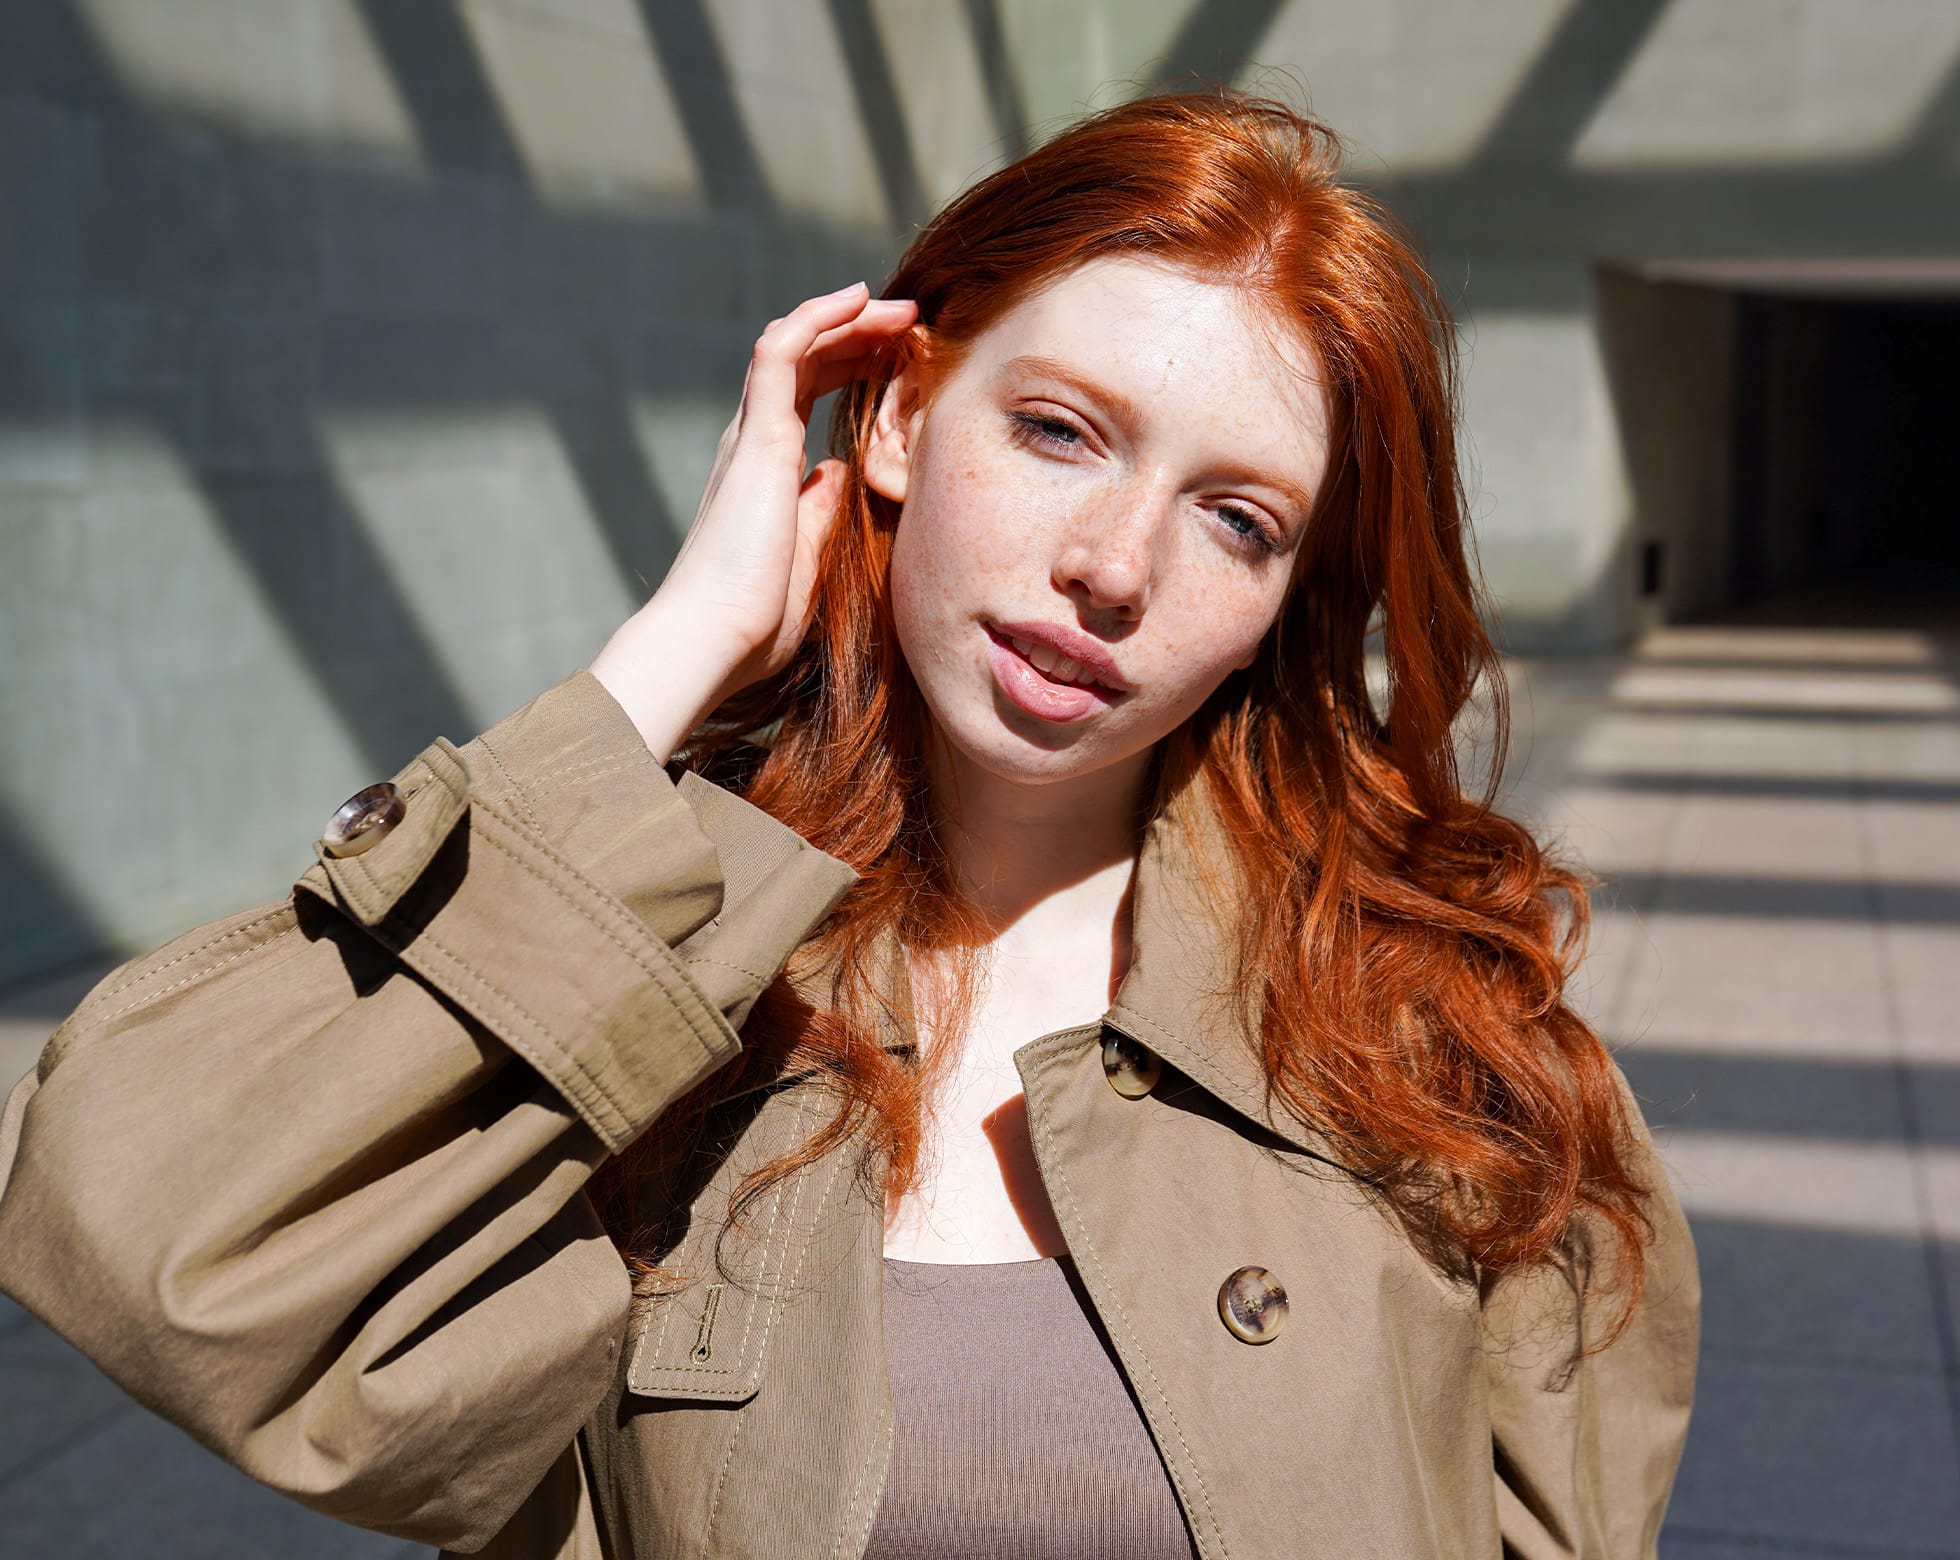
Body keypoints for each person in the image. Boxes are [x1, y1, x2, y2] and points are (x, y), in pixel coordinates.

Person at [0, 89, 1698, 1559]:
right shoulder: (656, 969)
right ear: (890, 414)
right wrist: (666, 660)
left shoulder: (1435, 1033)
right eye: (1056, 432)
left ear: (1281, 601)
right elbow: (159, 1239)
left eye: (1236, 518)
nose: (1114, 565)